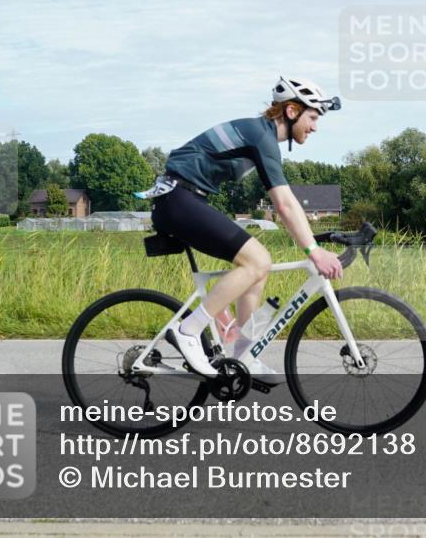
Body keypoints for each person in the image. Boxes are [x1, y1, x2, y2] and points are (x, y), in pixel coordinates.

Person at [142, 76, 344, 384]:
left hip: (184, 199)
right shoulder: (261, 137)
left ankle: (244, 355)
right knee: (257, 260)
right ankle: (188, 330)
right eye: (313, 117)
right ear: (292, 111)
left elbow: (289, 201)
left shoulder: (261, 135)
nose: (315, 126)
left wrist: (313, 243)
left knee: (257, 268)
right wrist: (313, 252)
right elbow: (284, 204)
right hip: (177, 199)